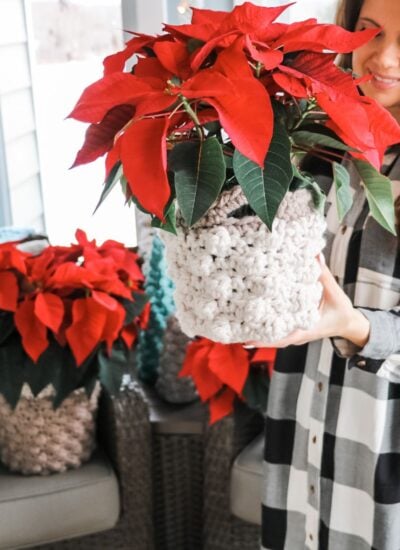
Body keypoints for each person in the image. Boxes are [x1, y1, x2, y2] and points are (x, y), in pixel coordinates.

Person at [252, 0, 400, 548]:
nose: (383, 57)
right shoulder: (315, 143)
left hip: (382, 448)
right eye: (370, 30)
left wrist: (356, 326)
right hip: (305, 430)